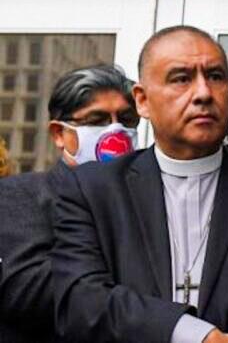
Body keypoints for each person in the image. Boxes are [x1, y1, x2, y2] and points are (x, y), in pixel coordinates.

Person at [52, 25, 228, 343]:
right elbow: (82, 300)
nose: (203, 93)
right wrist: (194, 335)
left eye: (215, 77)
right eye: (181, 78)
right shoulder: (92, 190)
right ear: (141, 100)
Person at [0, 65, 139, 343]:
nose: (115, 130)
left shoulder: (146, 199)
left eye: (126, 118)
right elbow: (31, 292)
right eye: (97, 120)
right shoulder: (20, 195)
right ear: (59, 134)